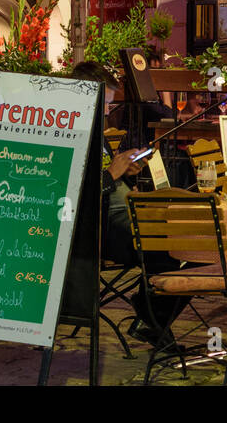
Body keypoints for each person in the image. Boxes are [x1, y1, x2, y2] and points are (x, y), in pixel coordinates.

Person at [70, 61, 187, 347]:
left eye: (110, 104)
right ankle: (152, 315)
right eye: (106, 104)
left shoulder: (96, 129)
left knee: (192, 236)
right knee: (175, 244)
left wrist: (126, 170)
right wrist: (112, 174)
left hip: (124, 212)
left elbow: (104, 174)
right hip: (101, 226)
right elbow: (74, 195)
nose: (109, 111)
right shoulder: (70, 132)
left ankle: (152, 316)